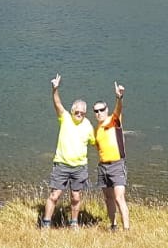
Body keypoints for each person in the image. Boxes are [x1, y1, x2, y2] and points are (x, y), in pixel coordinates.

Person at [41, 73, 95, 228]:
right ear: (72, 111)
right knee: (54, 195)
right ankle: (46, 224)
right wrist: (55, 89)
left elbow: (96, 142)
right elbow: (57, 104)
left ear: (85, 113)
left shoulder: (88, 125)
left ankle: (74, 223)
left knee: (76, 197)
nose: (79, 114)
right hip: (62, 165)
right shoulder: (65, 118)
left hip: (79, 167)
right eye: (76, 112)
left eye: (82, 113)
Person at [93, 84, 129, 230]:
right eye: (96, 111)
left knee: (119, 197)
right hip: (103, 167)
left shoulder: (114, 120)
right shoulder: (96, 130)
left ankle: (127, 229)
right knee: (108, 199)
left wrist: (119, 97)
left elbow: (119, 108)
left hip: (117, 164)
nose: (99, 113)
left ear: (106, 110)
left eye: (101, 110)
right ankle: (113, 225)